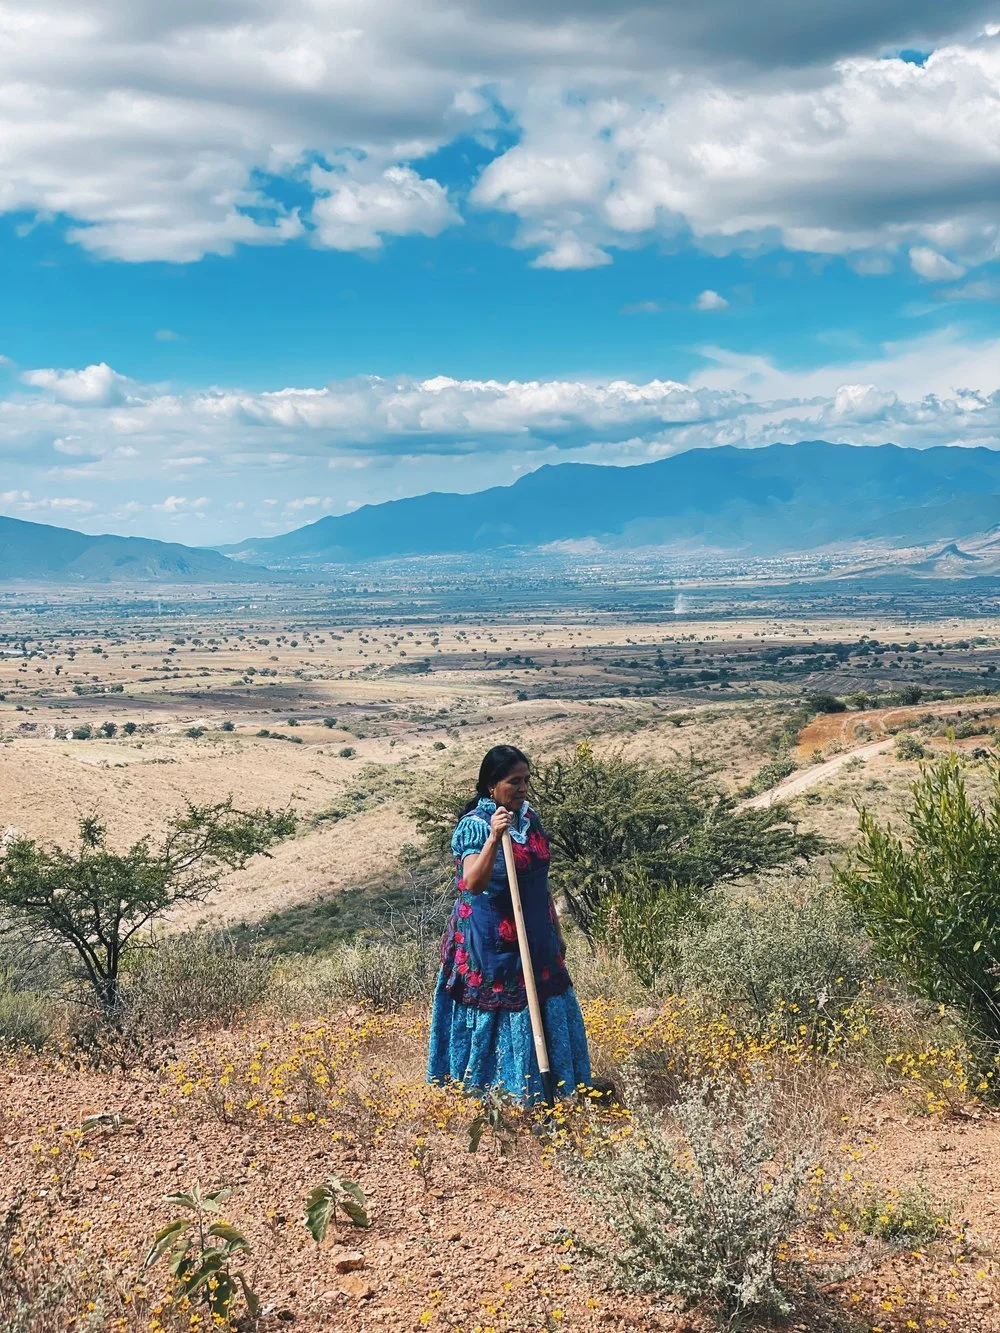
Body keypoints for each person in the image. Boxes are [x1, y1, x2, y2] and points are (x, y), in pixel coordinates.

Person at [427, 744, 591, 1104]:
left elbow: (539, 878)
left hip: (537, 934)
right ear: (491, 785)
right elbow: (473, 882)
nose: (522, 789)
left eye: (526, 781)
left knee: (546, 999)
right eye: (513, 782)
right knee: (505, 1008)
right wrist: (492, 837)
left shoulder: (529, 819)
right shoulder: (474, 826)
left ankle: (556, 1090)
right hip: (490, 942)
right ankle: (501, 1095)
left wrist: (557, 929)